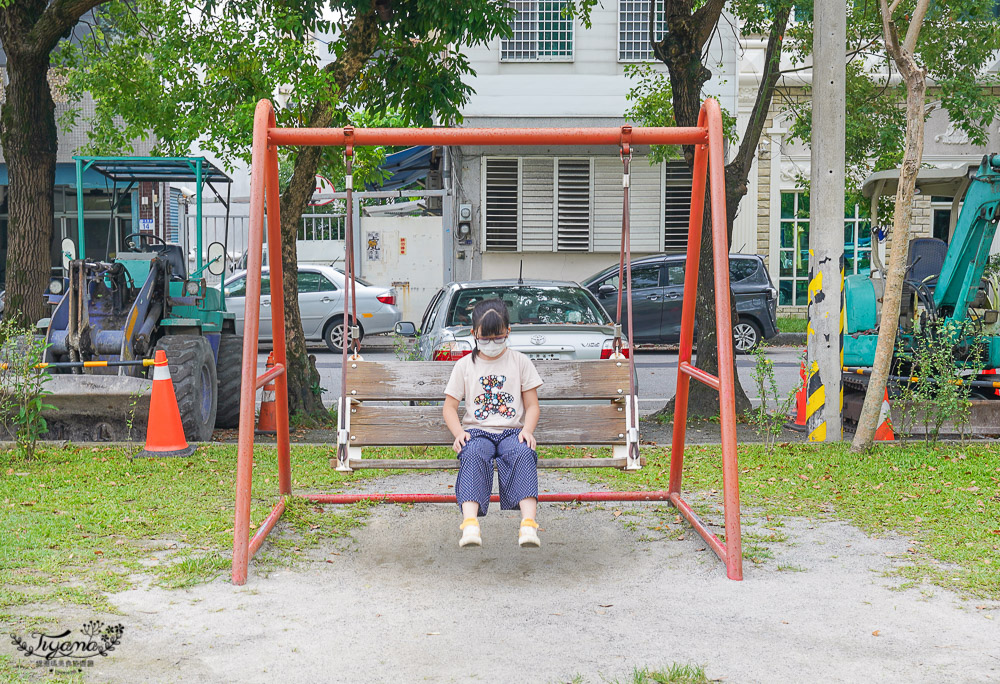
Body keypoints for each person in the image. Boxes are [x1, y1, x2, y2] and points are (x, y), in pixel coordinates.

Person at [443, 298, 543, 549]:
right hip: (477, 432)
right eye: (485, 339)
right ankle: (470, 524)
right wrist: (458, 433)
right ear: (473, 334)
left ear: (508, 331)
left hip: (512, 431)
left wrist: (528, 431)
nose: (491, 344)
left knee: (523, 453)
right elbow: (450, 407)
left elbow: (532, 405)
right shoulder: (465, 365)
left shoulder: (519, 362)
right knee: (473, 453)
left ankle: (529, 524)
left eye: (498, 338)